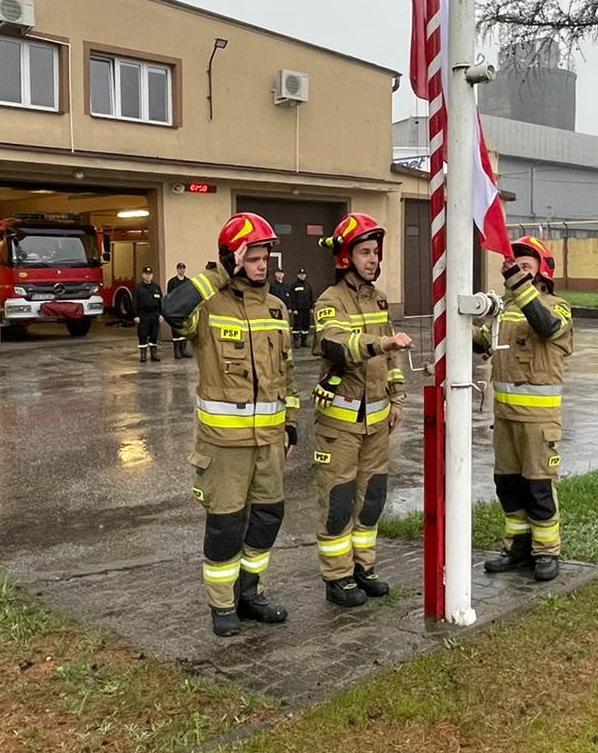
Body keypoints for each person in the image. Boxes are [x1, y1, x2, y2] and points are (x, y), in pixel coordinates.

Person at [162, 213, 299, 637]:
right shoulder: (208, 306)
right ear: (233, 258)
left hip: (269, 443)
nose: (261, 265)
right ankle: (222, 605)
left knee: (268, 518)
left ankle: (250, 594)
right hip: (224, 445)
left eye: (264, 258)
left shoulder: (277, 307)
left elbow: (287, 373)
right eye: (252, 258)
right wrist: (220, 271)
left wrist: (291, 425)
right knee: (225, 525)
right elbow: (171, 309)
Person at [311, 213, 413, 607]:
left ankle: (363, 568)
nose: (373, 259)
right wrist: (382, 344)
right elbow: (336, 344)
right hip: (340, 423)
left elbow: (391, 361)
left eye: (375, 252)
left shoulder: (379, 299)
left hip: (377, 421)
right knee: (338, 501)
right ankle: (337, 577)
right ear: (346, 257)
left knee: (371, 498)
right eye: (365, 252)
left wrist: (397, 398)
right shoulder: (329, 301)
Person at [474, 236, 572, 582]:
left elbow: (546, 326)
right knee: (508, 485)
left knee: (538, 486)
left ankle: (546, 551)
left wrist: (516, 284)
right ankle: (517, 548)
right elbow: (479, 343)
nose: (517, 269)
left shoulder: (557, 307)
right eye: (515, 265)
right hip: (504, 419)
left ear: (542, 271)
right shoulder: (505, 309)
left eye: (525, 265)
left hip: (538, 421)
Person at [134, 266, 162, 363]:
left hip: (154, 314)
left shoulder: (156, 287)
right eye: (146, 274)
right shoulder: (138, 287)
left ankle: (154, 354)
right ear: (142, 275)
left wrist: (161, 314)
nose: (148, 276)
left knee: (154, 334)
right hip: (143, 314)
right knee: (143, 334)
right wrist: (136, 315)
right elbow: (135, 302)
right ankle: (143, 355)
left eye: (150, 274)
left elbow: (160, 302)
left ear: (152, 275)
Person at [167, 262, 191, 358]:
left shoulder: (188, 281)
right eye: (180, 268)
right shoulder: (172, 282)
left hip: (185, 309)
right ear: (177, 269)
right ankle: (176, 350)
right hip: (176, 309)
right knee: (176, 330)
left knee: (184, 329)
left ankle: (183, 350)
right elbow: (169, 296)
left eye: (183, 268)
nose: (182, 270)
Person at [289, 268, 314, 347]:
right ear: (298, 275)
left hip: (306, 309)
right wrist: (294, 309)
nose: (302, 276)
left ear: (305, 275)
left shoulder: (308, 285)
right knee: (297, 325)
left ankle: (304, 341)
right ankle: (296, 341)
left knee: (305, 325)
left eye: (303, 275)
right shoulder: (294, 285)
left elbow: (311, 297)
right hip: (298, 309)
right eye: (300, 275)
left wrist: (311, 307)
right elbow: (292, 298)